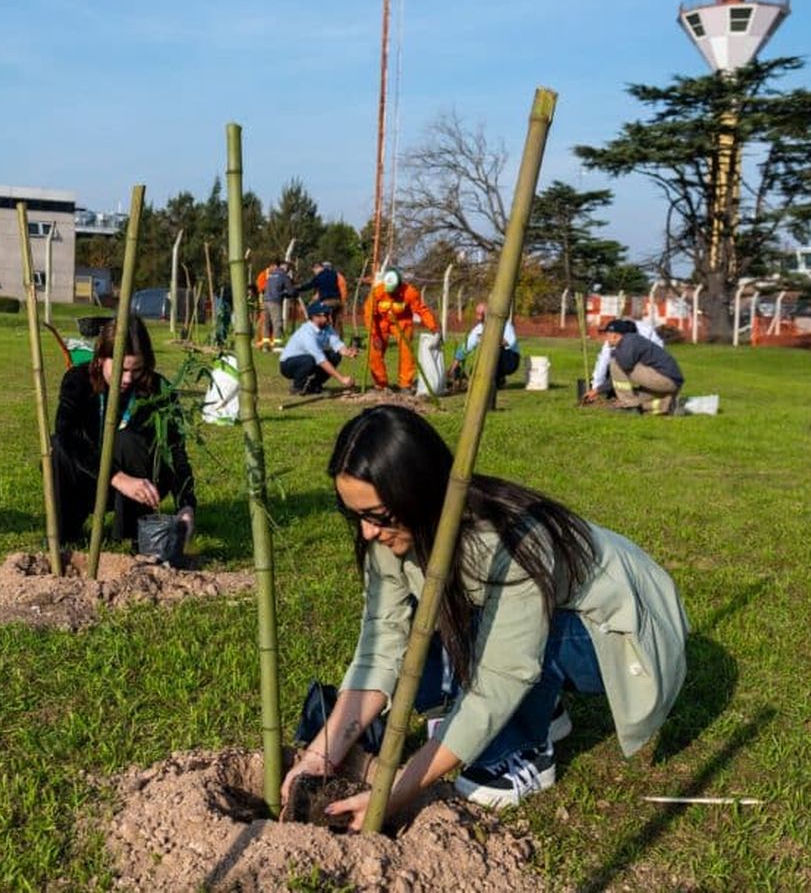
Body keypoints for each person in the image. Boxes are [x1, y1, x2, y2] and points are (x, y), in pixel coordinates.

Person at [281, 405, 689, 825]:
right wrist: (320, 756)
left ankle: (523, 752)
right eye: (354, 515)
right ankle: (540, 706)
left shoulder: (508, 545)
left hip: (624, 630)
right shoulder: (389, 539)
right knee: (430, 660)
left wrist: (395, 792)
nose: (366, 532)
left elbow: (500, 676)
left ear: (417, 494)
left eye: (377, 516)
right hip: (556, 620)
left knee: (496, 647)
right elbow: (380, 650)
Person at [50, 317, 196, 549]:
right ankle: (65, 531)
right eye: (121, 369)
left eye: (136, 370)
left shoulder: (158, 390)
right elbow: (64, 436)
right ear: (100, 359)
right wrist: (117, 478)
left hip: (139, 481)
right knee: (56, 448)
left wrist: (186, 505)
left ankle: (132, 531)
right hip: (90, 477)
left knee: (129, 439)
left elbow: (175, 450)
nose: (128, 379)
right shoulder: (77, 380)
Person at [364, 268, 440, 391]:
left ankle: (405, 384)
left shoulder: (409, 292)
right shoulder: (378, 291)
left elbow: (422, 310)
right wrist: (374, 335)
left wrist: (434, 328)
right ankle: (380, 384)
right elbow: (369, 314)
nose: (390, 294)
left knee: (407, 351)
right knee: (375, 350)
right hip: (381, 323)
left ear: (399, 285)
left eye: (393, 292)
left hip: (402, 321)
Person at [594, 319, 685, 415]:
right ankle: (668, 405)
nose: (606, 339)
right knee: (639, 400)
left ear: (615, 335)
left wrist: (613, 353)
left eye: (607, 335)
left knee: (615, 362)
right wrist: (598, 390)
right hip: (672, 383)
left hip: (665, 380)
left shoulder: (628, 342)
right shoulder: (633, 341)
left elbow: (624, 365)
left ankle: (628, 404)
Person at [279, 301, 358, 394]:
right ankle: (297, 387)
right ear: (314, 317)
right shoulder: (307, 333)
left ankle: (314, 385)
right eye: (325, 314)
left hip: (310, 358)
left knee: (335, 355)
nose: (328, 317)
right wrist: (342, 379)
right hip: (288, 364)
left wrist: (347, 352)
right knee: (310, 360)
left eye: (328, 314)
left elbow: (337, 344)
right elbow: (321, 361)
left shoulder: (327, 328)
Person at [584, 317, 663, 402]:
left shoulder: (647, 333)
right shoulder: (614, 337)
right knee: (615, 364)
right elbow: (603, 362)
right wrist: (596, 386)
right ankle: (616, 393)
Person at [452, 302, 520, 389]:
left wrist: (489, 338)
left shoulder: (505, 325)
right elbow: (466, 347)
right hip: (491, 358)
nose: (479, 317)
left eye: (482, 314)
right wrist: (455, 365)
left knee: (495, 352)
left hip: (510, 359)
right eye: (478, 314)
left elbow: (510, 343)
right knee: (474, 371)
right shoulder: (478, 329)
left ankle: (498, 378)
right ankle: (497, 381)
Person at [296, 261, 347, 332]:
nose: (315, 273)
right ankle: (338, 340)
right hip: (337, 301)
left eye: (314, 271)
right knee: (337, 322)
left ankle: (322, 337)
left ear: (317, 268)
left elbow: (309, 285)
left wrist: (298, 288)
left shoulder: (320, 276)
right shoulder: (334, 274)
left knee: (319, 317)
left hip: (327, 301)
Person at [261, 260, 294, 351]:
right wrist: (286, 293)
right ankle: (277, 345)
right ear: (286, 267)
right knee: (277, 323)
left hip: (266, 301)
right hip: (275, 302)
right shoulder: (284, 276)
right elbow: (291, 291)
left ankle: (265, 346)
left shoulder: (271, 275)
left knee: (266, 324)